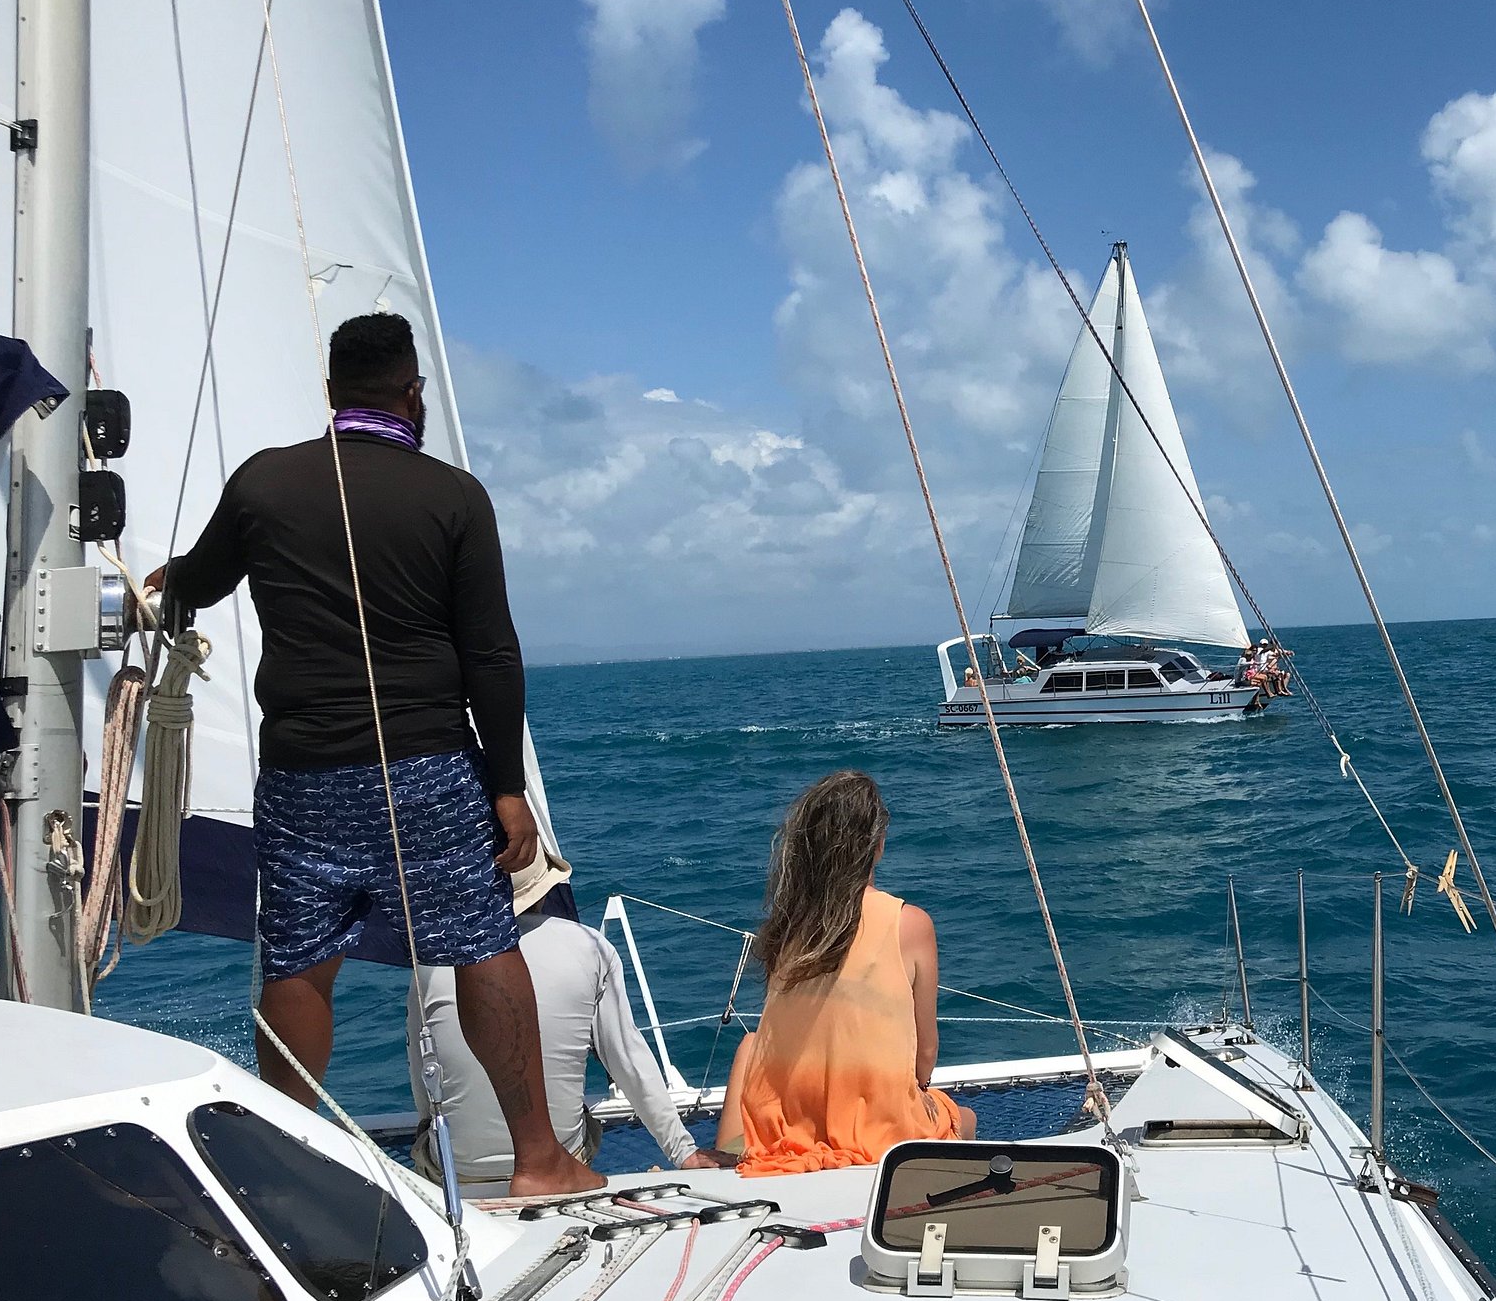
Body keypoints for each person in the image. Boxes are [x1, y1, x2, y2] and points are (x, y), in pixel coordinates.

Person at [148, 311, 600, 1198]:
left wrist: (167, 582)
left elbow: (197, 583)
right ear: (412, 393)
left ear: (328, 393)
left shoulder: (263, 486)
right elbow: (492, 654)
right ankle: (540, 1161)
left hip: (302, 772)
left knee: (301, 961)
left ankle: (284, 1168)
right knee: (480, 946)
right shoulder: (453, 496)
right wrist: (507, 791)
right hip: (429, 767)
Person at [408, 852, 730, 1190]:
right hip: (558, 1159)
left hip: (459, 1173)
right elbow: (628, 1059)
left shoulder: (431, 961)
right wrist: (684, 1152)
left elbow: (425, 1078)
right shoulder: (587, 946)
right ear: (544, 890)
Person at [717, 770, 974, 1176]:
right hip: (880, 1134)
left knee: (750, 1046)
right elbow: (925, 1054)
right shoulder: (909, 923)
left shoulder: (789, 925)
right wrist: (917, 1090)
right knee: (965, 1117)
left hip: (789, 1129)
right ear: (878, 846)